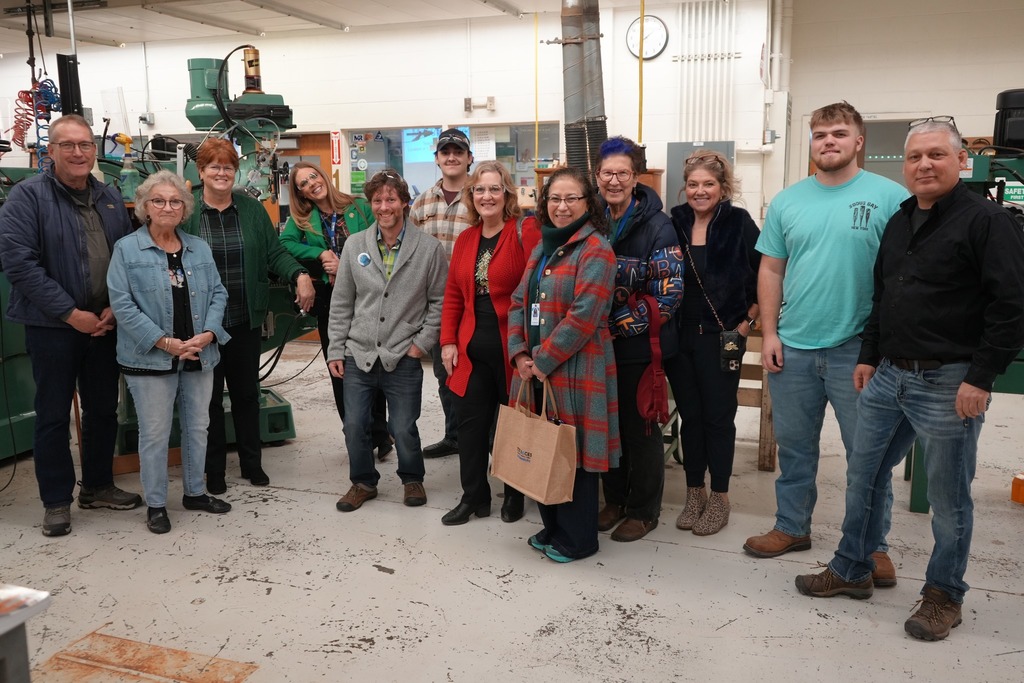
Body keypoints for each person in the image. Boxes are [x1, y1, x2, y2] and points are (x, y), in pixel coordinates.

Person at [795, 117, 1024, 641]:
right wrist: (871, 356)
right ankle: (852, 568)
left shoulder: (987, 222)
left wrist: (981, 378)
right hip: (889, 376)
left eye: (936, 155)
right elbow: (885, 294)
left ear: (961, 161)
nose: (924, 165)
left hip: (950, 382)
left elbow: (1011, 307)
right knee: (863, 476)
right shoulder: (900, 219)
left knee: (948, 497)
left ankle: (944, 594)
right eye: (915, 156)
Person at [743, 102, 908, 587]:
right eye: (820, 135)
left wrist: (881, 349)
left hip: (859, 351)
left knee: (869, 456)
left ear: (859, 141)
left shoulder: (890, 197)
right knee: (795, 449)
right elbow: (771, 269)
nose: (828, 141)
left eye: (839, 133)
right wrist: (770, 333)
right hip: (793, 346)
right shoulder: (789, 201)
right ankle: (792, 527)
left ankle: (871, 545)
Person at [0, 113, 142, 537]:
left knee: (102, 410)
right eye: (68, 145)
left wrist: (114, 308)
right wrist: (69, 313)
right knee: (52, 413)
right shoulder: (27, 198)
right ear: (51, 152)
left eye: (85, 145)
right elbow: (18, 264)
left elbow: (126, 257)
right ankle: (57, 501)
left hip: (103, 324)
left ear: (94, 151)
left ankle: (97, 485)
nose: (78, 153)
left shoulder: (111, 197)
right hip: (53, 327)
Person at [182, 138, 316, 494]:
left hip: (244, 318)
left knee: (246, 395)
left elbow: (274, 253)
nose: (222, 173)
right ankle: (213, 472)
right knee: (207, 401)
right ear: (201, 172)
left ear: (235, 171)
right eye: (214, 167)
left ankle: (251, 463)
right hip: (201, 326)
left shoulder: (251, 210)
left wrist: (300, 274)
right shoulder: (188, 211)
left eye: (227, 167)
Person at [106, 171, 232, 534]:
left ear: (185, 208)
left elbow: (219, 293)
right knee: (156, 433)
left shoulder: (198, 248)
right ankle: (157, 504)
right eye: (158, 201)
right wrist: (166, 342)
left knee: (198, 426)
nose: (167, 207)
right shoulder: (127, 249)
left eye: (175, 201)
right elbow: (122, 304)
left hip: (199, 354)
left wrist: (208, 333)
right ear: (145, 206)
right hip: (150, 357)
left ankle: (195, 492)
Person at [508, 166, 620, 562]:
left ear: (589, 204)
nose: (561, 206)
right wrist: (520, 353)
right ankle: (552, 526)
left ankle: (578, 539)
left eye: (572, 198)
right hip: (535, 369)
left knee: (574, 455)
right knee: (542, 446)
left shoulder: (597, 250)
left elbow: (584, 316)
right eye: (555, 198)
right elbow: (520, 301)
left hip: (576, 371)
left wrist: (541, 360)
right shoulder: (541, 248)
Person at [328, 169, 447, 512]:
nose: (384, 206)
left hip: (403, 354)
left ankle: (412, 478)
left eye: (391, 199)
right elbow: (342, 301)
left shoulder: (428, 249)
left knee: (403, 426)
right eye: (377, 200)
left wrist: (420, 345)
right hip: (358, 352)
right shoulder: (355, 245)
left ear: (405, 203)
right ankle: (363, 482)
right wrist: (336, 347)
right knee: (354, 425)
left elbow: (439, 301)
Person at [438, 161, 541, 526]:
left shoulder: (524, 232)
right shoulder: (467, 238)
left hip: (512, 350)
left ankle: (513, 494)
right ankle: (474, 497)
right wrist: (448, 341)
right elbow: (453, 294)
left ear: (507, 194)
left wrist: (530, 348)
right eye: (480, 190)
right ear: (472, 195)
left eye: (495, 189)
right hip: (471, 350)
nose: (487, 196)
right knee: (470, 427)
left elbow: (537, 290)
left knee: (512, 426)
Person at [664, 150, 760, 536]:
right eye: (693, 184)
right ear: (684, 187)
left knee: (720, 419)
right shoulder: (676, 221)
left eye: (708, 184)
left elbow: (764, 273)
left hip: (723, 338)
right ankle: (694, 492)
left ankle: (720, 496)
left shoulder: (739, 222)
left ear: (723, 188)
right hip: (681, 336)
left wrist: (747, 322)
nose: (699, 191)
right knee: (691, 417)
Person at [593, 136, 683, 542]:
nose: (615, 180)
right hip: (593, 346)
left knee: (640, 430)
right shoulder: (590, 217)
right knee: (606, 426)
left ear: (635, 177)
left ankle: (644, 510)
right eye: (607, 173)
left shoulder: (657, 225)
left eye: (623, 173)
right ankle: (613, 499)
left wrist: (614, 327)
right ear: (597, 176)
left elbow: (669, 295)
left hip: (636, 348)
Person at [279, 161, 392, 460]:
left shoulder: (358, 206)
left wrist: (348, 265)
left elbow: (380, 243)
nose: (311, 184)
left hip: (366, 296)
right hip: (331, 300)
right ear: (300, 192)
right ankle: (356, 436)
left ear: (323, 176)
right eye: (303, 183)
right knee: (339, 366)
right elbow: (285, 243)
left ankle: (381, 434)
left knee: (373, 364)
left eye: (313, 176)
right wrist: (319, 253)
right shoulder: (302, 218)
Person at [410, 128, 474, 459]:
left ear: (469, 158)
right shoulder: (421, 203)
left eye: (458, 152)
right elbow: (409, 252)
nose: (451, 157)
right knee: (443, 373)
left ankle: (484, 441)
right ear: (437, 159)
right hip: (436, 306)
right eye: (445, 152)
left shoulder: (482, 197)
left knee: (478, 375)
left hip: (476, 304)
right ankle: (455, 436)